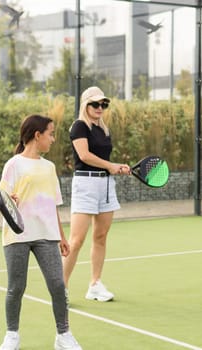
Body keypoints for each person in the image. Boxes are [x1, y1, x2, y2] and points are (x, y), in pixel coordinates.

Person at [0, 115, 82, 350]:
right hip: (17, 235)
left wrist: (62, 237)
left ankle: (63, 335)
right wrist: (11, 199)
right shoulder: (13, 164)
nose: (53, 139)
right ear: (37, 135)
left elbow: (52, 205)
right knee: (16, 287)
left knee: (57, 285)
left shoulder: (49, 167)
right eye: (51, 133)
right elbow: (2, 198)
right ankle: (12, 336)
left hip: (47, 235)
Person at [62, 86, 130, 302]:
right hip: (85, 184)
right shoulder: (79, 126)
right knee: (76, 240)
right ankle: (60, 289)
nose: (100, 108)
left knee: (100, 237)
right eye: (95, 104)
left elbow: (103, 160)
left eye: (103, 104)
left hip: (106, 186)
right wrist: (110, 165)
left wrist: (117, 168)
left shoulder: (103, 129)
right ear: (85, 105)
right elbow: (84, 155)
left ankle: (95, 285)